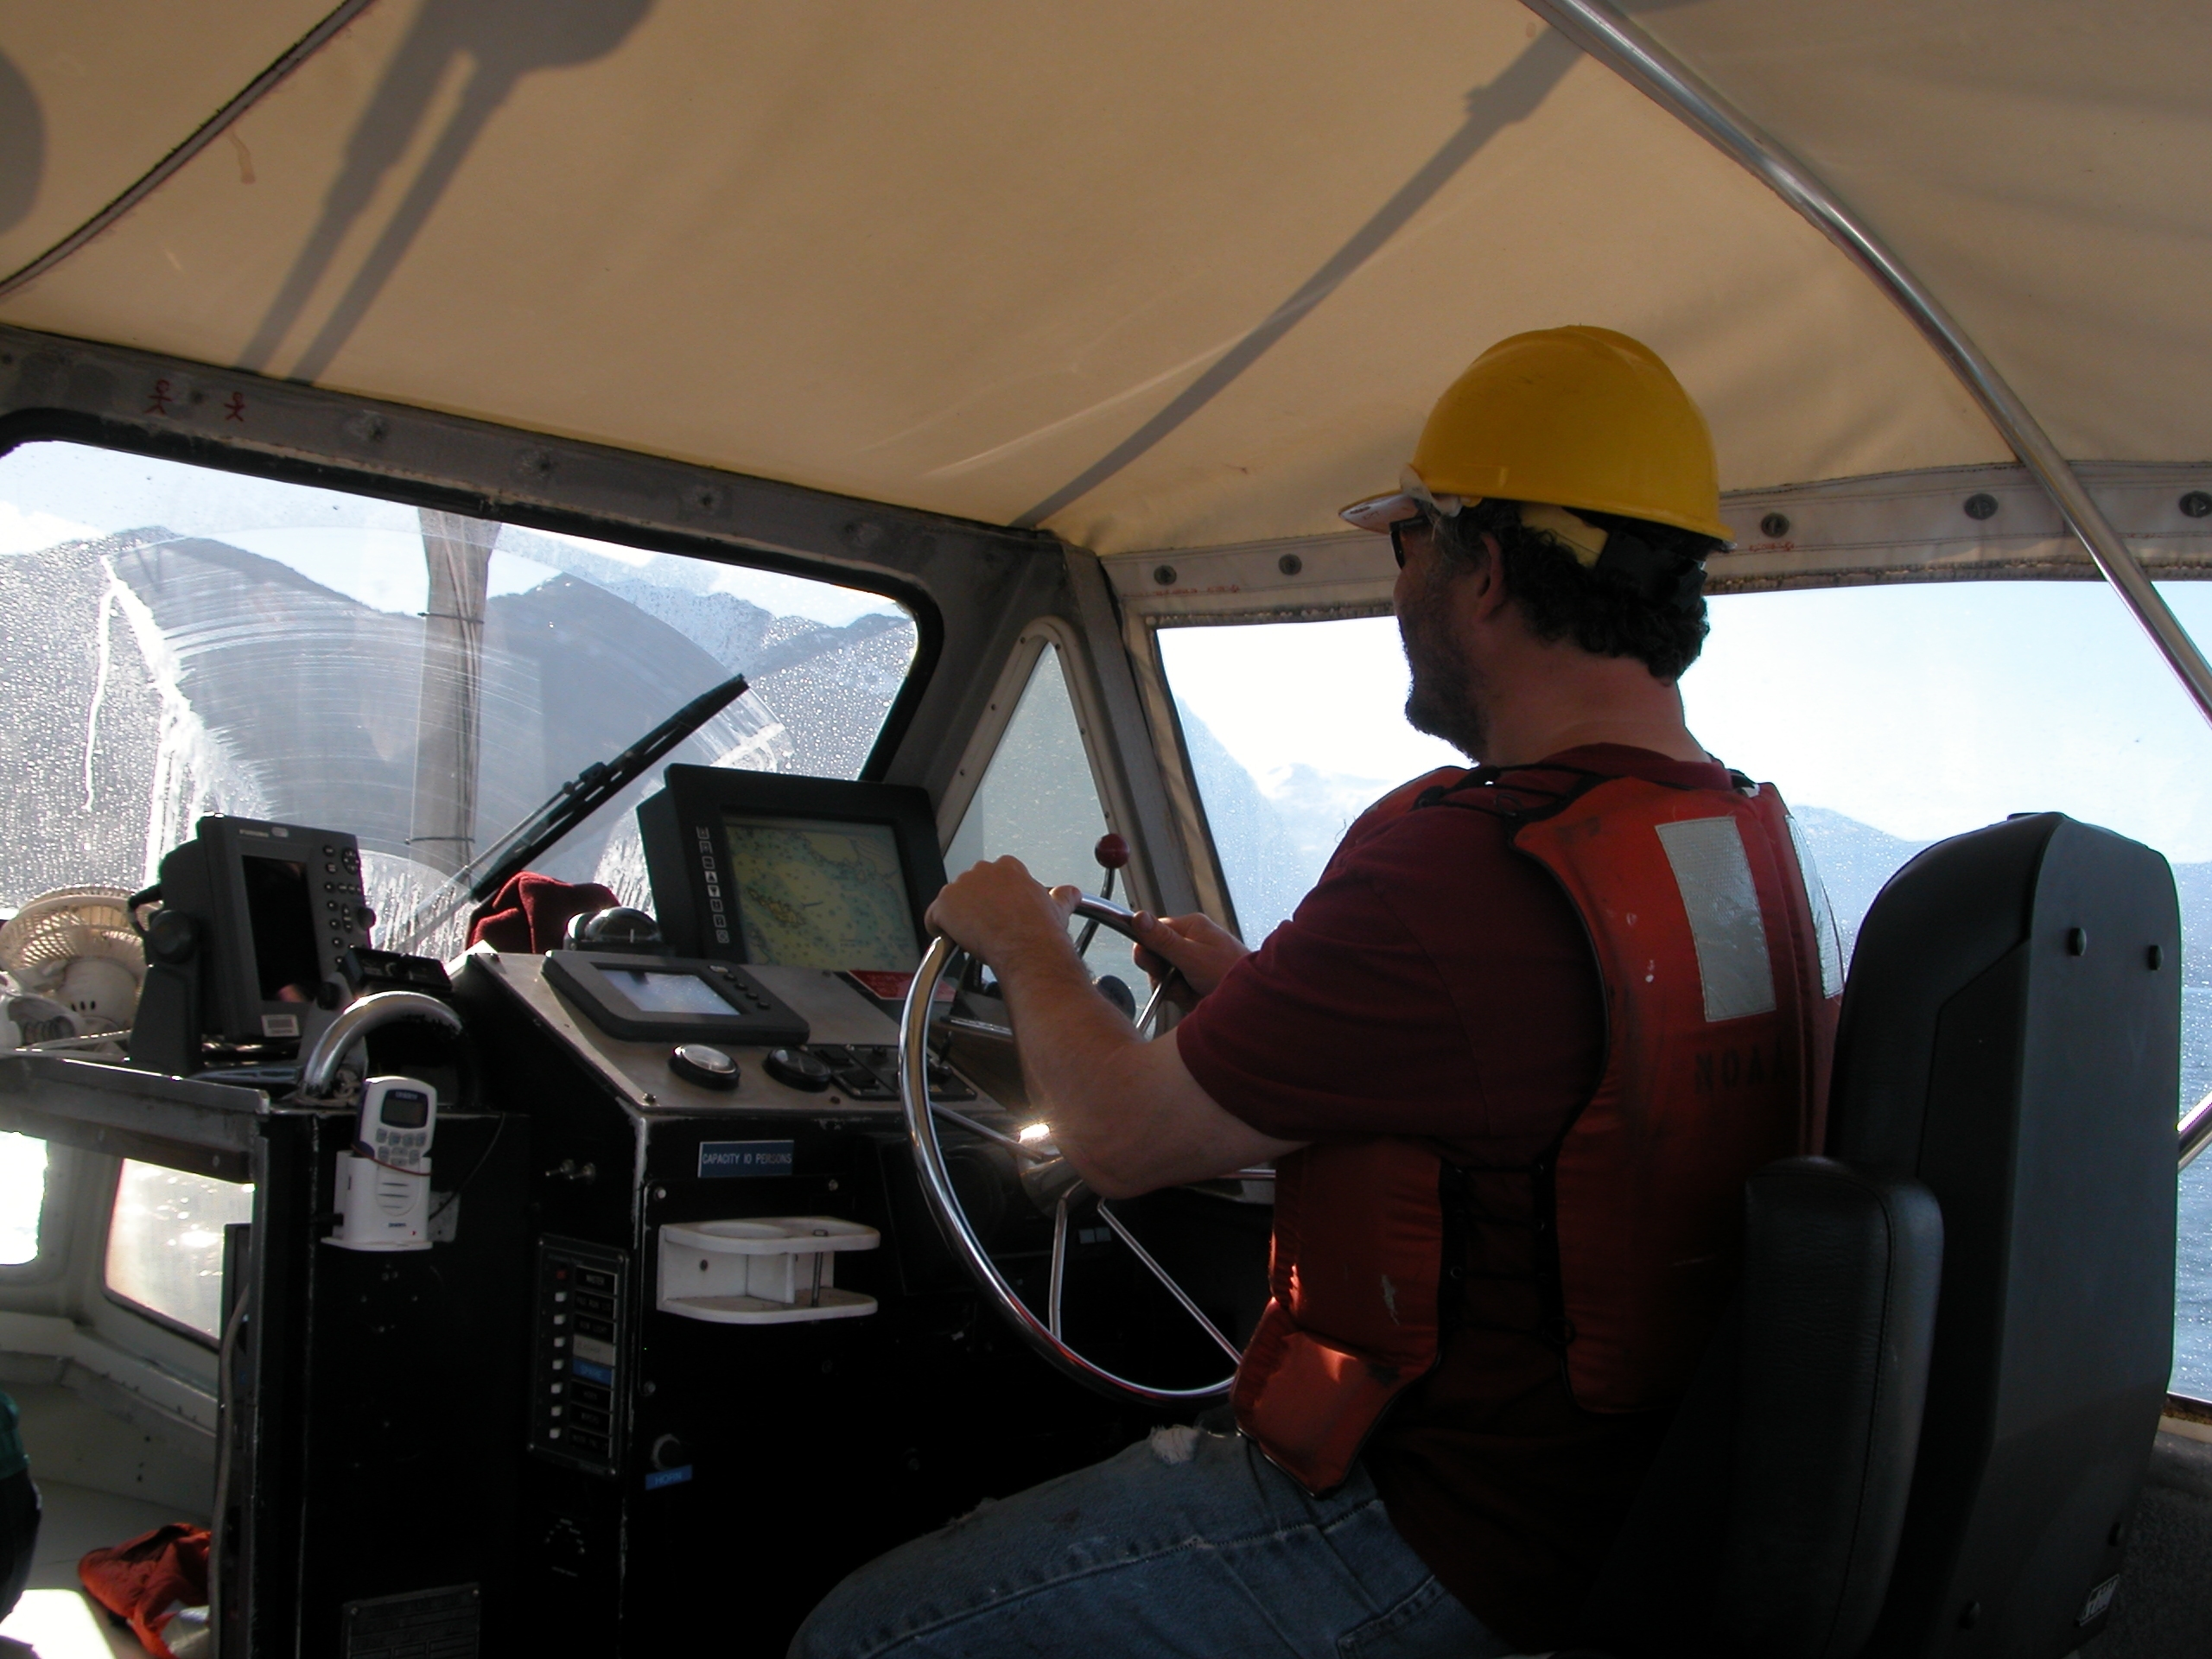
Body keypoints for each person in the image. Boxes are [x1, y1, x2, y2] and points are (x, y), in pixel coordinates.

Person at [791, 327, 1844, 1659]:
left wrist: (1024, 945)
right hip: (1624, 1532)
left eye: (1408, 543)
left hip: (1435, 1541)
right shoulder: (1739, 845)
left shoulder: (1466, 863)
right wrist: (1255, 1000)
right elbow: (1536, 1079)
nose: (1397, 588)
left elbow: (1117, 1141)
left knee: (859, 1637)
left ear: (1485, 571)